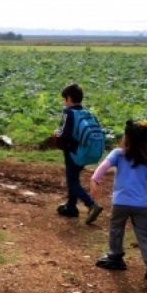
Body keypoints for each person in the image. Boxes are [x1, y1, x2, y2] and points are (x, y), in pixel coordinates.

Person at [90, 120, 147, 293]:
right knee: (145, 235)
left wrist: (95, 180)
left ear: (127, 138)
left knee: (116, 228)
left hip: (120, 203)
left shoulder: (118, 154)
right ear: (146, 140)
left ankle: (115, 256)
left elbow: (103, 166)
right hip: (141, 206)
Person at [54, 84, 103, 223]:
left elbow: (64, 134)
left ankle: (91, 204)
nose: (65, 102)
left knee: (72, 182)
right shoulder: (87, 113)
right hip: (85, 152)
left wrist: (56, 134)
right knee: (74, 178)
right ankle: (71, 206)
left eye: (65, 99)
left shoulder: (68, 112)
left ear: (69, 98)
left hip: (73, 152)